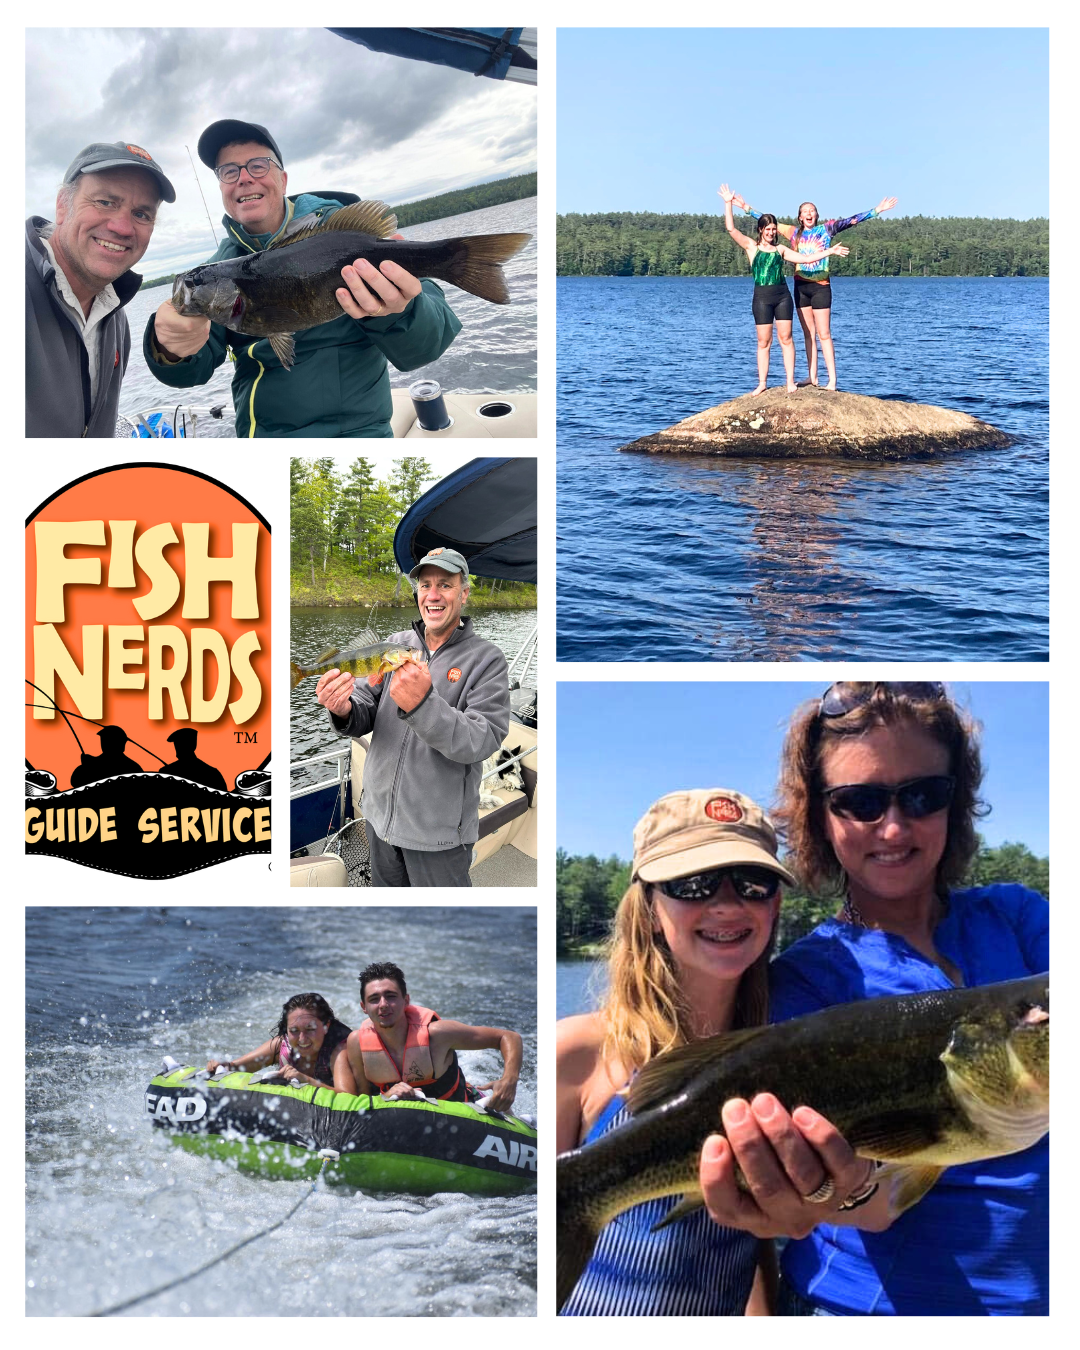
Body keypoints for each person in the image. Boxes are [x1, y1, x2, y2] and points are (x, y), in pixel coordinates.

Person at [697, 682, 1048, 1316]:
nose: (893, 826)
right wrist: (840, 1194)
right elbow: (866, 1201)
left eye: (923, 795)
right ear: (818, 816)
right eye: (859, 801)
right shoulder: (805, 984)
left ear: (956, 802)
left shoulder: (1020, 918)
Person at [557, 788, 801, 1315]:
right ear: (649, 908)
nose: (728, 903)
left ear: (775, 904)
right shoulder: (577, 1055)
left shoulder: (777, 1059)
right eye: (693, 883)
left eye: (752, 882)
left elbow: (754, 1240)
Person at [145, 119, 462, 437]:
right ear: (222, 188)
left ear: (282, 180)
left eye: (257, 165)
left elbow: (429, 345)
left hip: (360, 435)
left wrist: (401, 309)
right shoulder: (217, 272)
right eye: (229, 171)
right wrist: (169, 348)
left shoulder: (344, 233)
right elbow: (192, 371)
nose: (243, 178)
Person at [315, 548, 510, 887]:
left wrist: (422, 705)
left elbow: (482, 740)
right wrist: (342, 708)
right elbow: (364, 706)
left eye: (445, 585)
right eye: (425, 585)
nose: (433, 595)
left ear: (464, 593)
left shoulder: (487, 660)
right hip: (379, 821)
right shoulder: (394, 645)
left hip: (438, 837)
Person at [26, 141, 175, 437]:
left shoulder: (115, 316)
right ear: (62, 205)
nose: (122, 227)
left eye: (142, 214)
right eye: (105, 202)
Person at [732, 192, 897, 389]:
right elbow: (768, 222)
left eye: (812, 210)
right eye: (805, 211)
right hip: (801, 286)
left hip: (821, 286)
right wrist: (746, 208)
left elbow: (851, 221)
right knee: (808, 334)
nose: (809, 213)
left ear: (816, 215)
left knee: (824, 333)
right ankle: (812, 377)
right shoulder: (793, 232)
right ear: (800, 217)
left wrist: (877, 210)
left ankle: (832, 380)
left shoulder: (827, 229)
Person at [334, 962, 522, 1109]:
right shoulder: (357, 1043)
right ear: (364, 1007)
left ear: (406, 1000)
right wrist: (386, 1097)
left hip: (463, 1110)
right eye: (374, 999)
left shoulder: (438, 1034)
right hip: (399, 1120)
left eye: (390, 996)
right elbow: (364, 1098)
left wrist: (509, 1080)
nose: (383, 1004)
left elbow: (508, 1037)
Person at [718, 185, 848, 394]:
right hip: (762, 297)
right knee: (764, 341)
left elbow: (806, 258)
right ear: (761, 230)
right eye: (767, 229)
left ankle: (790, 382)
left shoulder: (781, 249)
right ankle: (762, 383)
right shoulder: (752, 247)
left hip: (782, 297)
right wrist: (728, 204)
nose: (771, 232)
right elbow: (731, 229)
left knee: (786, 338)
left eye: (773, 229)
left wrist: (829, 251)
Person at [207, 993, 351, 1091]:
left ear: (326, 1026)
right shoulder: (282, 1046)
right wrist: (222, 1066)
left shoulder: (339, 1051)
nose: (302, 1039)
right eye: (294, 1030)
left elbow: (347, 1096)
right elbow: (236, 1067)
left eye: (310, 1029)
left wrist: (305, 1080)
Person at [69, 725, 144, 787]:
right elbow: (75, 782)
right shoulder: (134, 767)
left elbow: (77, 782)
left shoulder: (133, 767)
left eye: (106, 739)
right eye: (103, 739)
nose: (103, 742)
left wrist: (86, 767)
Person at [158, 727, 227, 790]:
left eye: (180, 744)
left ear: (191, 744)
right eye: (176, 744)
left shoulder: (166, 772)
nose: (177, 748)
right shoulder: (213, 773)